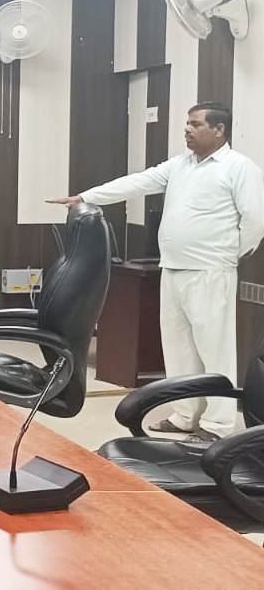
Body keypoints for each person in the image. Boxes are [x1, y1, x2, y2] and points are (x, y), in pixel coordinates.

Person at [48, 102, 264, 443]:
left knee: (214, 349)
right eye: (187, 123)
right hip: (173, 268)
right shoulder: (179, 166)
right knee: (178, 348)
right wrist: (87, 197)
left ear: (219, 130)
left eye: (195, 124)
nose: (187, 129)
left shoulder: (239, 168)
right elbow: (137, 182)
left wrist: (228, 254)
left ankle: (218, 424)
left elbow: (255, 220)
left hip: (210, 270)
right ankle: (184, 415)